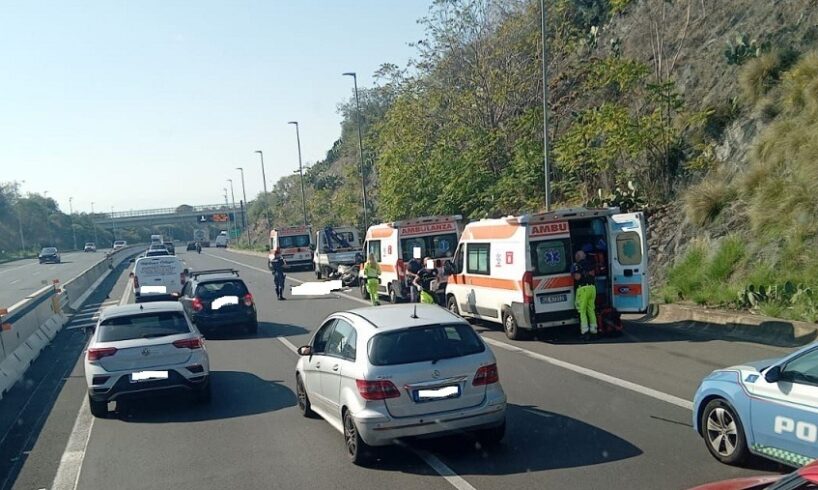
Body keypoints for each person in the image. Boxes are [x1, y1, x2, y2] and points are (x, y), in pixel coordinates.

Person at [572, 250, 597, 340]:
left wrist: (576, 273)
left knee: (582, 311)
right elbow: (593, 273)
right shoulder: (590, 263)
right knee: (591, 310)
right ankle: (594, 331)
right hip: (592, 288)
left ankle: (585, 332)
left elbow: (577, 277)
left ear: (578, 257)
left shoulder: (576, 266)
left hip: (583, 289)